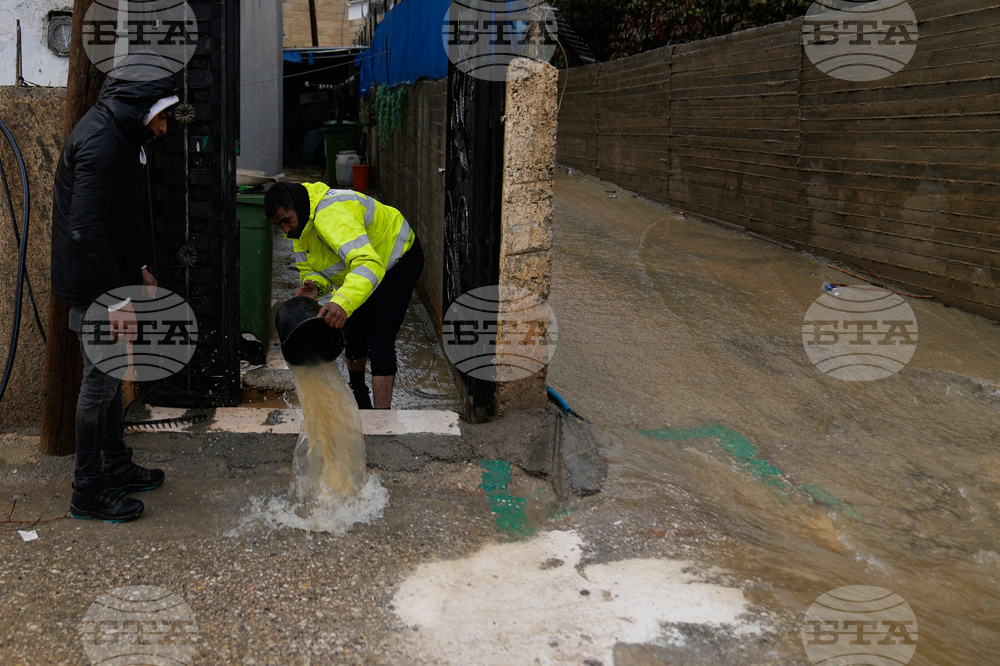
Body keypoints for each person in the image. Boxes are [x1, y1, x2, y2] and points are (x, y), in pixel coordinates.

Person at [51, 65, 180, 522]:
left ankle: (116, 467)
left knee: (108, 382)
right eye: (161, 118)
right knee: (99, 386)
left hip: (108, 280)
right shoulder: (103, 141)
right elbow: (84, 230)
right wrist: (117, 300)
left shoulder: (122, 135)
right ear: (140, 109)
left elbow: (118, 216)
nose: (164, 129)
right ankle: (87, 490)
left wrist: (139, 267)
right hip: (96, 288)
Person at [265, 181, 424, 410]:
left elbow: (368, 264)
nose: (285, 230)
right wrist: (315, 286)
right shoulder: (300, 229)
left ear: (297, 207)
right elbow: (311, 268)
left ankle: (381, 419)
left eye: (286, 220)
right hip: (363, 268)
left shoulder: (332, 214)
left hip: (398, 259)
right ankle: (359, 398)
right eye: (279, 225)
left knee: (379, 337)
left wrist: (341, 301)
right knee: (352, 331)